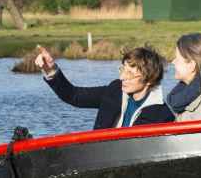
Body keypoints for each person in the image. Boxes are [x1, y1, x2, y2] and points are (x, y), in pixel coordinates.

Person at [33, 43, 174, 129]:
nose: (122, 77)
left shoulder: (163, 117)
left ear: (149, 80)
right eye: (122, 69)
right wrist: (51, 70)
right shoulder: (114, 90)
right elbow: (73, 96)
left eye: (130, 73)